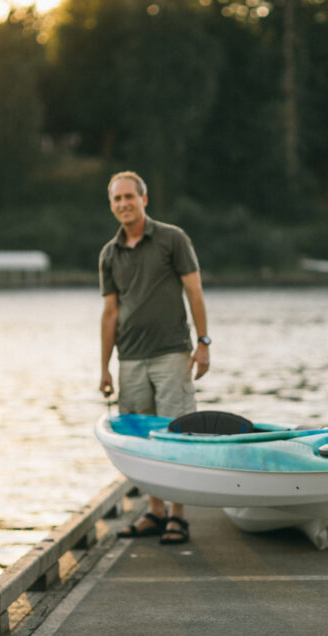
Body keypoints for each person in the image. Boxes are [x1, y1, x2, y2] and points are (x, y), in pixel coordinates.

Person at [99, 170, 210, 545]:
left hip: (171, 355)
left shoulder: (172, 239)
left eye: (129, 197)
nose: (123, 204)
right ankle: (155, 512)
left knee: (176, 436)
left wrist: (203, 342)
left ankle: (178, 517)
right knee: (143, 439)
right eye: (117, 199)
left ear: (143, 199)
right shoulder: (109, 254)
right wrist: (105, 367)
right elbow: (110, 313)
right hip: (130, 360)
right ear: (112, 205)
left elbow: (195, 292)